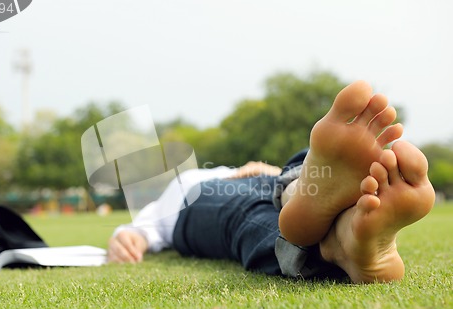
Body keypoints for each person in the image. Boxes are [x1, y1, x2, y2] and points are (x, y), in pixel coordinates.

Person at [107, 81, 436, 283]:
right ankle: (337, 237)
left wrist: (270, 173)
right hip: (197, 200)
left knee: (297, 166)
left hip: (266, 180)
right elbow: (138, 231)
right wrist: (126, 235)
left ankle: (307, 199)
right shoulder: (173, 192)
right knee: (248, 213)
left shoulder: (209, 170)